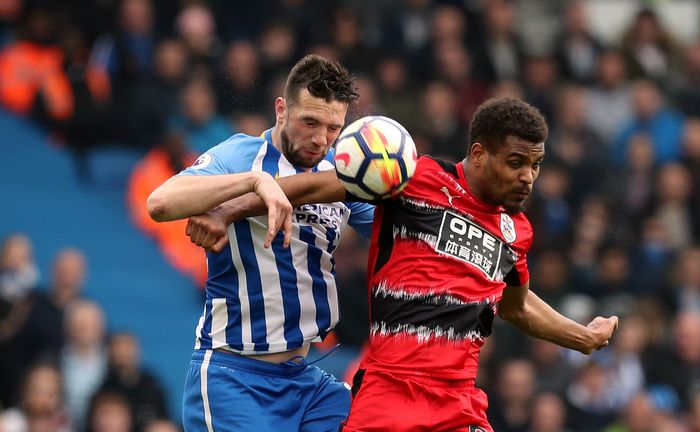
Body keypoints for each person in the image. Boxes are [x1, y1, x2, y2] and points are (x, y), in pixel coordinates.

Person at [185, 97, 619, 431]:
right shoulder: (415, 177)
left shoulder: (516, 231)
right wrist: (227, 211)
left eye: (536, 165)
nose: (528, 176)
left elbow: (516, 305)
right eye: (516, 162)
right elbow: (311, 187)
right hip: (391, 392)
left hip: (459, 400)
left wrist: (580, 337)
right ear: (480, 153)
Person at [146, 54, 373, 431]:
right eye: (310, 122)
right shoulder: (240, 155)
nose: (320, 138)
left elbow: (397, 232)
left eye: (333, 128)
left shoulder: (339, 174)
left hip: (307, 382)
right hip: (233, 379)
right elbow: (160, 202)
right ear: (281, 110)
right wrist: (254, 183)